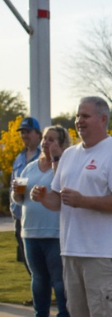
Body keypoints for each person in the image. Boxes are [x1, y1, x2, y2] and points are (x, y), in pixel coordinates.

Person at [31, 96, 112, 317]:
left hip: (102, 255)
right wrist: (43, 198)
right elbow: (58, 200)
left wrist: (84, 201)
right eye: (77, 115)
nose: (79, 120)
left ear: (103, 119)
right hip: (71, 252)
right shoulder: (69, 155)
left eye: (85, 116)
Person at [12, 125, 69, 317]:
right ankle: (41, 314)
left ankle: (64, 313)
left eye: (52, 139)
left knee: (59, 280)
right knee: (38, 279)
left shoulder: (63, 166)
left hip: (54, 233)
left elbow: (64, 189)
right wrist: (16, 192)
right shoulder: (29, 167)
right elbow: (19, 199)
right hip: (30, 232)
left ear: (61, 144)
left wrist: (56, 159)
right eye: (45, 138)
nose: (46, 142)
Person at [11, 116, 42, 285]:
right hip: (20, 215)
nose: (24, 135)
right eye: (22, 132)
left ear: (38, 134)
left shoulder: (43, 156)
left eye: (28, 132)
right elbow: (13, 184)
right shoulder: (19, 159)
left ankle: (50, 293)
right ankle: (38, 291)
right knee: (27, 259)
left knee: (43, 260)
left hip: (39, 214)